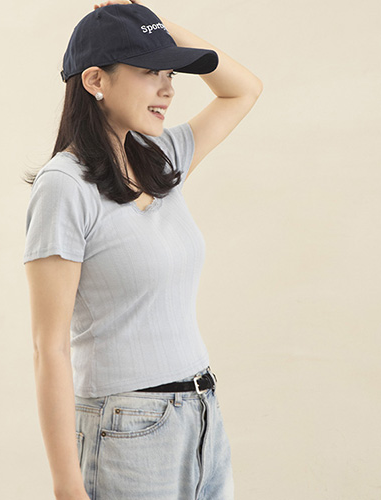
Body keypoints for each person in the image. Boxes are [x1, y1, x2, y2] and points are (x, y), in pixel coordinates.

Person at [23, 1, 263, 499]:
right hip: (127, 431)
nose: (168, 89)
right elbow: (50, 348)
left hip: (202, 417)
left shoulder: (160, 157)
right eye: (150, 71)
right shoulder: (63, 185)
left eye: (170, 72)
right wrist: (67, 485)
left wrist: (147, 22)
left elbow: (244, 88)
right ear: (96, 80)